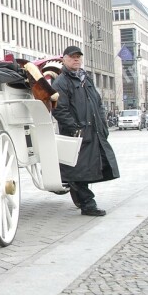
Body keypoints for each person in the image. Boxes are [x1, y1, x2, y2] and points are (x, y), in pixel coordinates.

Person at [51, 46, 120, 216]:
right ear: (64, 59)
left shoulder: (85, 79)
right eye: (72, 57)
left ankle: (85, 201)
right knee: (77, 171)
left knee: (87, 169)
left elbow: (97, 103)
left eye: (78, 57)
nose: (76, 60)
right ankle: (88, 204)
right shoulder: (61, 82)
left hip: (93, 132)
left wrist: (103, 126)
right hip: (77, 134)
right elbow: (59, 109)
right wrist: (76, 128)